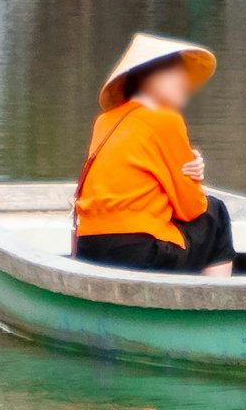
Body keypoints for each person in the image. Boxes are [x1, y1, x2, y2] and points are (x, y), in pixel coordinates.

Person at [73, 33, 236, 277]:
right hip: (139, 252)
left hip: (90, 248)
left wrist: (189, 166)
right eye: (173, 70)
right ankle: (218, 302)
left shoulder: (104, 121)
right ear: (146, 76)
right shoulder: (166, 120)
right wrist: (192, 177)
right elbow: (192, 208)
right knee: (215, 213)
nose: (185, 79)